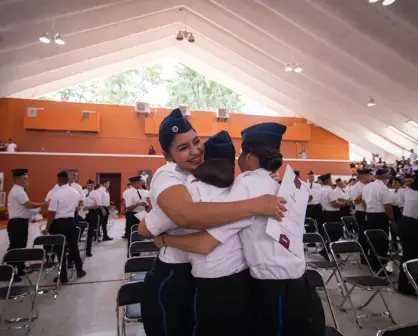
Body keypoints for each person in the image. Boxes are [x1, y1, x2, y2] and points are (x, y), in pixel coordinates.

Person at [153, 123, 325, 336]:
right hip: (300, 282)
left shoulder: (245, 184)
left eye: (241, 154)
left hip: (273, 288)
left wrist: (164, 240)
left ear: (249, 156)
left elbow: (206, 243)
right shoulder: (288, 184)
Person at [138, 109, 286, 336]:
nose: (195, 151)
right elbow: (185, 215)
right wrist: (254, 204)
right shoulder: (168, 177)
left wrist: (261, 181)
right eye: (183, 148)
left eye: (197, 142)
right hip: (175, 276)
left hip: (204, 277)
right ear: (168, 156)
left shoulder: (207, 175)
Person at [43, 171, 87, 283]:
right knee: (73, 247)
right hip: (71, 221)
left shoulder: (56, 194)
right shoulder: (75, 192)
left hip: (58, 224)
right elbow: (79, 205)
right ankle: (79, 270)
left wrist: (47, 228)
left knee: (60, 250)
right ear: (68, 180)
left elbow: (52, 213)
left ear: (58, 180)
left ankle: (63, 276)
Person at [7, 169, 44, 278]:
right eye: (25, 179)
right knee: (15, 248)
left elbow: (26, 210)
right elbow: (28, 205)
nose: (27, 181)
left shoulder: (21, 190)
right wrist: (43, 204)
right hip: (16, 224)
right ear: (17, 179)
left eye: (27, 178)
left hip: (21, 222)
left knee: (21, 246)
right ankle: (8, 271)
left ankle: (20, 269)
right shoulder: (17, 191)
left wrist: (39, 210)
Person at [362, 169, 396, 272]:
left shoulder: (367, 186)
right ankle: (380, 269)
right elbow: (387, 206)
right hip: (380, 217)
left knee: (372, 240)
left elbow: (364, 202)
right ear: (386, 176)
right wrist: (392, 220)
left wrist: (368, 211)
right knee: (381, 243)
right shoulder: (383, 188)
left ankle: (373, 265)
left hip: (370, 215)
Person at [397, 171, 418, 295]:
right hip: (413, 226)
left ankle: (405, 283)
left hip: (405, 223)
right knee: (411, 255)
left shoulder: (407, 192)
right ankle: (406, 285)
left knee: (408, 254)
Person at [349, 169, 373, 262]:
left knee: (367, 234)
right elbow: (355, 201)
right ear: (364, 176)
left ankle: (367, 254)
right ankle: (363, 255)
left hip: (367, 212)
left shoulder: (366, 185)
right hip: (362, 213)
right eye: (369, 175)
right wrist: (365, 193)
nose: (370, 177)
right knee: (363, 235)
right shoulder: (357, 187)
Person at [124, 176, 148, 256]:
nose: (140, 183)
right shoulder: (129, 193)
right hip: (132, 215)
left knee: (139, 234)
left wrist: (146, 204)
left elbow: (145, 201)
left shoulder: (141, 191)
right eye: (139, 182)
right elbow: (128, 207)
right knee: (132, 234)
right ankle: (132, 253)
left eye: (140, 182)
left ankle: (138, 251)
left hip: (140, 214)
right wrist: (138, 204)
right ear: (134, 183)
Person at [83, 179, 101, 257]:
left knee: (90, 232)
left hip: (92, 213)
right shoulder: (83, 192)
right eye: (89, 185)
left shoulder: (96, 193)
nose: (90, 187)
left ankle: (88, 250)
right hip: (82, 213)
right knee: (80, 230)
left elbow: (98, 205)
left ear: (94, 186)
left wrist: (89, 207)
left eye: (92, 185)